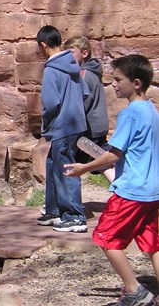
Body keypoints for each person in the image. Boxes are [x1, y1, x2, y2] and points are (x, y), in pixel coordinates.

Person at [65, 54, 159, 306]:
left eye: (118, 80)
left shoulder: (131, 113)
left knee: (107, 238)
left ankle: (135, 291)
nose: (114, 85)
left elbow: (111, 155)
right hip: (152, 191)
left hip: (131, 193)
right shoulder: (152, 110)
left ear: (136, 83)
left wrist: (83, 168)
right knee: (153, 243)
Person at [35, 26, 89, 233]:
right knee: (53, 165)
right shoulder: (72, 65)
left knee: (66, 169)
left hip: (62, 126)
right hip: (75, 124)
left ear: (43, 45)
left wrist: (47, 123)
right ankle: (54, 210)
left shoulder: (52, 68)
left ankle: (74, 216)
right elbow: (84, 94)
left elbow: (50, 102)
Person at [64, 35, 114, 183]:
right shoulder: (93, 72)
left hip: (90, 129)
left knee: (97, 162)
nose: (68, 56)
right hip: (97, 126)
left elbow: (82, 103)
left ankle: (124, 191)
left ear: (84, 53)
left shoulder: (83, 75)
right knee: (102, 160)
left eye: (71, 52)